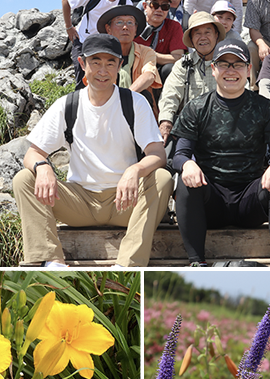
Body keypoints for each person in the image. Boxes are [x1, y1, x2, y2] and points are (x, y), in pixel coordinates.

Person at [13, 34, 173, 267]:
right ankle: (51, 260)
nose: (102, 70)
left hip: (124, 200)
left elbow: (158, 154)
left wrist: (135, 170)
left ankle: (128, 265)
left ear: (120, 66)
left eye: (110, 63)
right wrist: (43, 165)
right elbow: (32, 153)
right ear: (82, 64)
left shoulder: (135, 102)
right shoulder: (68, 105)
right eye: (95, 62)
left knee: (162, 177)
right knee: (24, 179)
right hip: (80, 202)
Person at [171, 38, 270, 267]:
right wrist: (187, 164)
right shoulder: (197, 107)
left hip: (251, 200)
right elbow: (179, 154)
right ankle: (196, 262)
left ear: (249, 69)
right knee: (185, 181)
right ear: (213, 69)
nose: (231, 71)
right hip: (211, 201)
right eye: (224, 64)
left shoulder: (264, 107)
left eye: (238, 64)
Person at [63, 0, 134, 89]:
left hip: (106, 45)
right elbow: (66, 1)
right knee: (82, 76)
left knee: (106, 78)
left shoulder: (126, 3)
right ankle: (79, 106)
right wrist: (69, 28)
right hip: (83, 40)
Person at [158, 12, 226, 142]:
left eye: (208, 32)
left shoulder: (228, 63)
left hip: (222, 127)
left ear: (216, 35)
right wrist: (166, 121)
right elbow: (170, 93)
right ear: (191, 39)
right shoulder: (183, 64)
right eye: (197, 33)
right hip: (189, 130)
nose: (203, 37)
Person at [97, 5, 161, 120]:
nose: (125, 27)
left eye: (130, 23)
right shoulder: (100, 54)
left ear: (136, 29)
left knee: (144, 95)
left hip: (137, 110)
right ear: (108, 29)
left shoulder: (146, 51)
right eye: (119, 22)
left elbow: (149, 75)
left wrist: (124, 97)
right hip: (106, 110)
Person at [135, 0, 187, 85]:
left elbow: (178, 57)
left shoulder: (174, 26)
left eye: (164, 6)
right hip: (136, 68)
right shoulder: (134, 25)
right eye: (154, 5)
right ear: (145, 6)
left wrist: (151, 55)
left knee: (170, 68)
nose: (159, 10)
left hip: (161, 69)